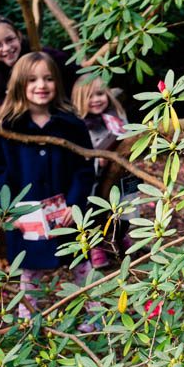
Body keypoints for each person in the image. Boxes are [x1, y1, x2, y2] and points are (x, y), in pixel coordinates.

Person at [0, 52, 96, 320]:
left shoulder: (71, 124)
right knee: (30, 271)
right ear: (19, 84)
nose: (41, 85)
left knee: (80, 264)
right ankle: (29, 320)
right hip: (28, 215)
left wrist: (75, 203)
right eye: (32, 80)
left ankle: (93, 317)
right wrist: (9, 208)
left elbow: (85, 167)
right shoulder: (6, 126)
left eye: (48, 79)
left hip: (66, 212)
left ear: (57, 83)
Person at [71, 76, 134, 268]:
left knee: (124, 209)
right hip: (95, 178)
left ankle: (120, 237)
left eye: (100, 94)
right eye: (89, 96)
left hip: (121, 174)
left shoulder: (116, 116)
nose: (96, 99)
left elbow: (128, 138)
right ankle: (96, 246)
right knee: (95, 212)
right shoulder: (80, 124)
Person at [0, 15, 78, 107]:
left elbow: (77, 75)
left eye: (10, 40)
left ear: (19, 36)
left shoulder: (48, 57)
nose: (6, 48)